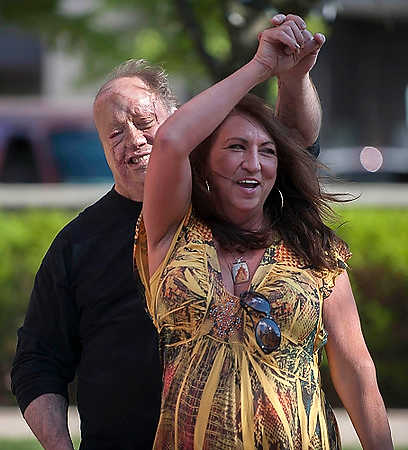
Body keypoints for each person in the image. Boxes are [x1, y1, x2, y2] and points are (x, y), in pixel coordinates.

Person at [11, 14, 325, 450]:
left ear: (180, 120)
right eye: (114, 133)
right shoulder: (77, 244)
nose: (134, 140)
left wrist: (293, 78)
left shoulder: (236, 199)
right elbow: (37, 362)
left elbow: (296, 143)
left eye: (144, 122)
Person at [134, 17, 394, 450]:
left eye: (267, 151)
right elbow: (171, 141)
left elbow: (356, 370)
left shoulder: (315, 251)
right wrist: (261, 66)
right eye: (236, 147)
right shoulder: (172, 236)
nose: (253, 163)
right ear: (204, 167)